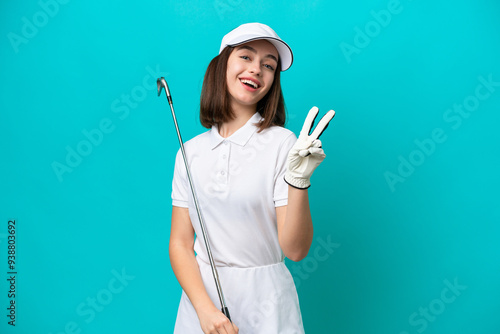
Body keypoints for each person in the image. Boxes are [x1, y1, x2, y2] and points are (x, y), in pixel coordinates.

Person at [169, 22, 334, 334]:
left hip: (268, 303)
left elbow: (296, 251)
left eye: (268, 65)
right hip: (201, 304)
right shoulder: (188, 153)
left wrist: (298, 181)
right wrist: (205, 312)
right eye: (246, 57)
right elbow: (179, 242)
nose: (257, 69)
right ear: (222, 66)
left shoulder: (284, 144)